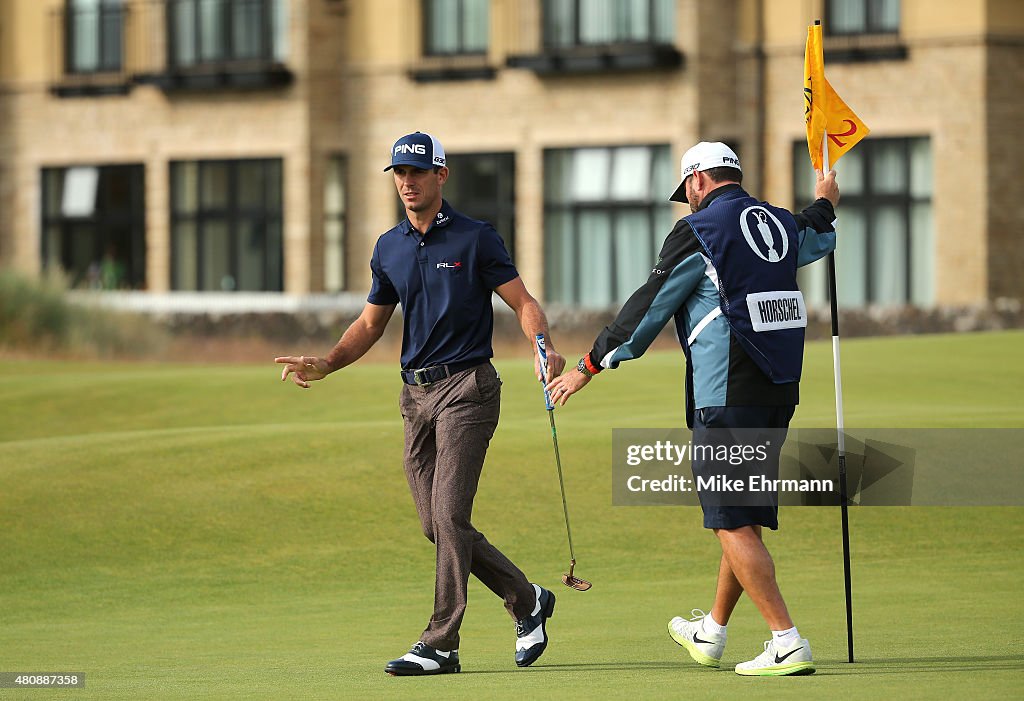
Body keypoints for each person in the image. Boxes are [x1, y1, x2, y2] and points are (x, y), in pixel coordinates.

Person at [276, 132, 566, 676]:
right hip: (415, 396)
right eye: (398, 174)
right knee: (437, 526)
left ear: (441, 176)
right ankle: (527, 599)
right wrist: (328, 362)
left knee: (450, 515)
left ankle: (441, 643)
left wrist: (541, 343)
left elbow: (523, 301)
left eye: (416, 172)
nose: (406, 182)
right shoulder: (389, 247)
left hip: (468, 390)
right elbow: (369, 323)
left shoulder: (477, 239)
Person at [545, 142, 839, 676]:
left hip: (726, 392)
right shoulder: (776, 223)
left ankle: (786, 639)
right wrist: (826, 199)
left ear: (699, 180)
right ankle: (713, 632)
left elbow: (648, 306)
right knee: (740, 515)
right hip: (777, 389)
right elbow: (817, 233)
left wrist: (587, 366)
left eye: (688, 191)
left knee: (730, 520)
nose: (689, 202)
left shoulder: (699, 230)